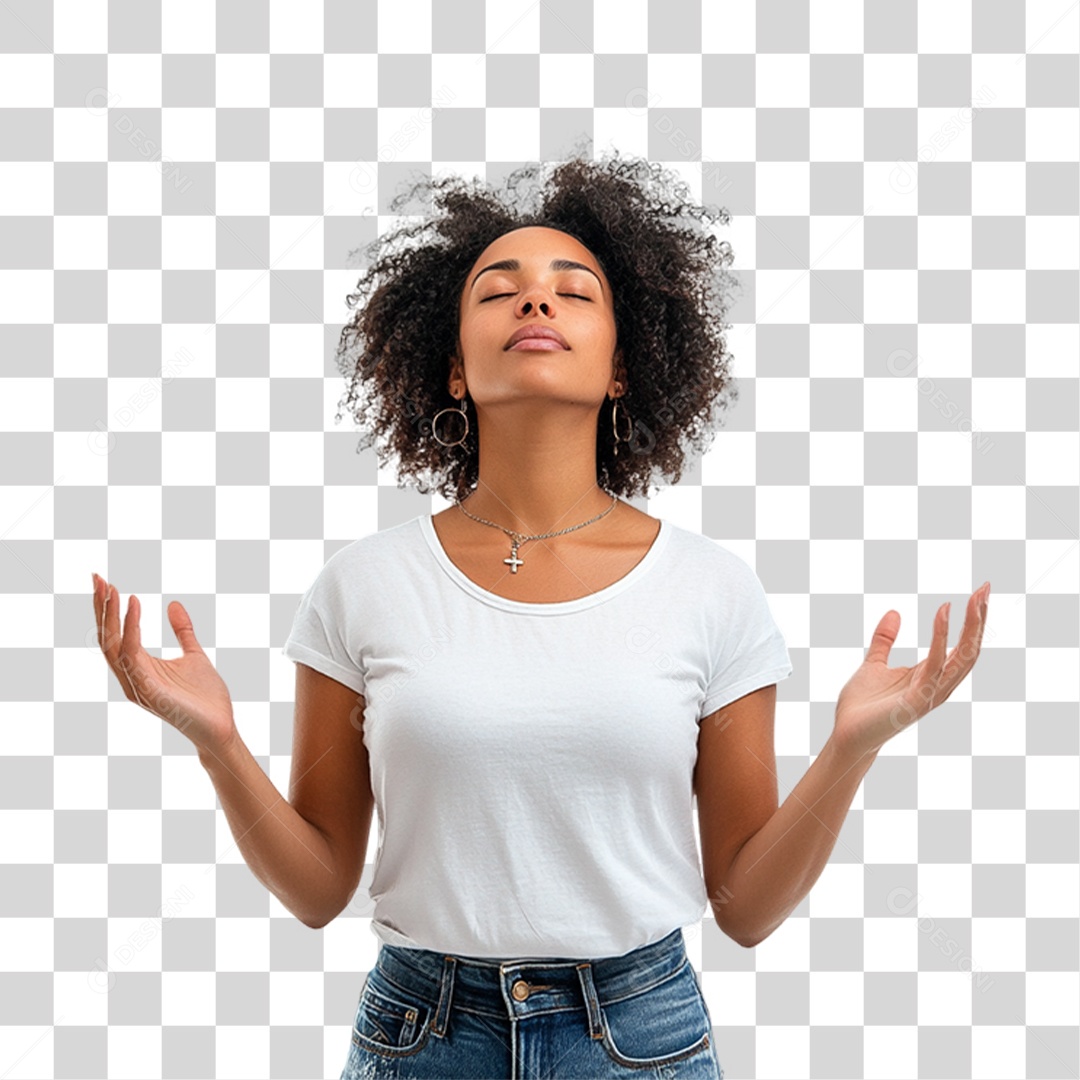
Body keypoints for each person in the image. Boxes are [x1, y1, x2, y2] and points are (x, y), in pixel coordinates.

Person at [91, 150, 990, 1080]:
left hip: (639, 1040)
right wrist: (217, 743)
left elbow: (746, 909)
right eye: (498, 291)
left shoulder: (711, 591)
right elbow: (319, 889)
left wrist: (852, 747)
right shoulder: (362, 585)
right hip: (420, 1034)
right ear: (450, 369)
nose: (535, 303)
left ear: (621, 371)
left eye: (574, 291)